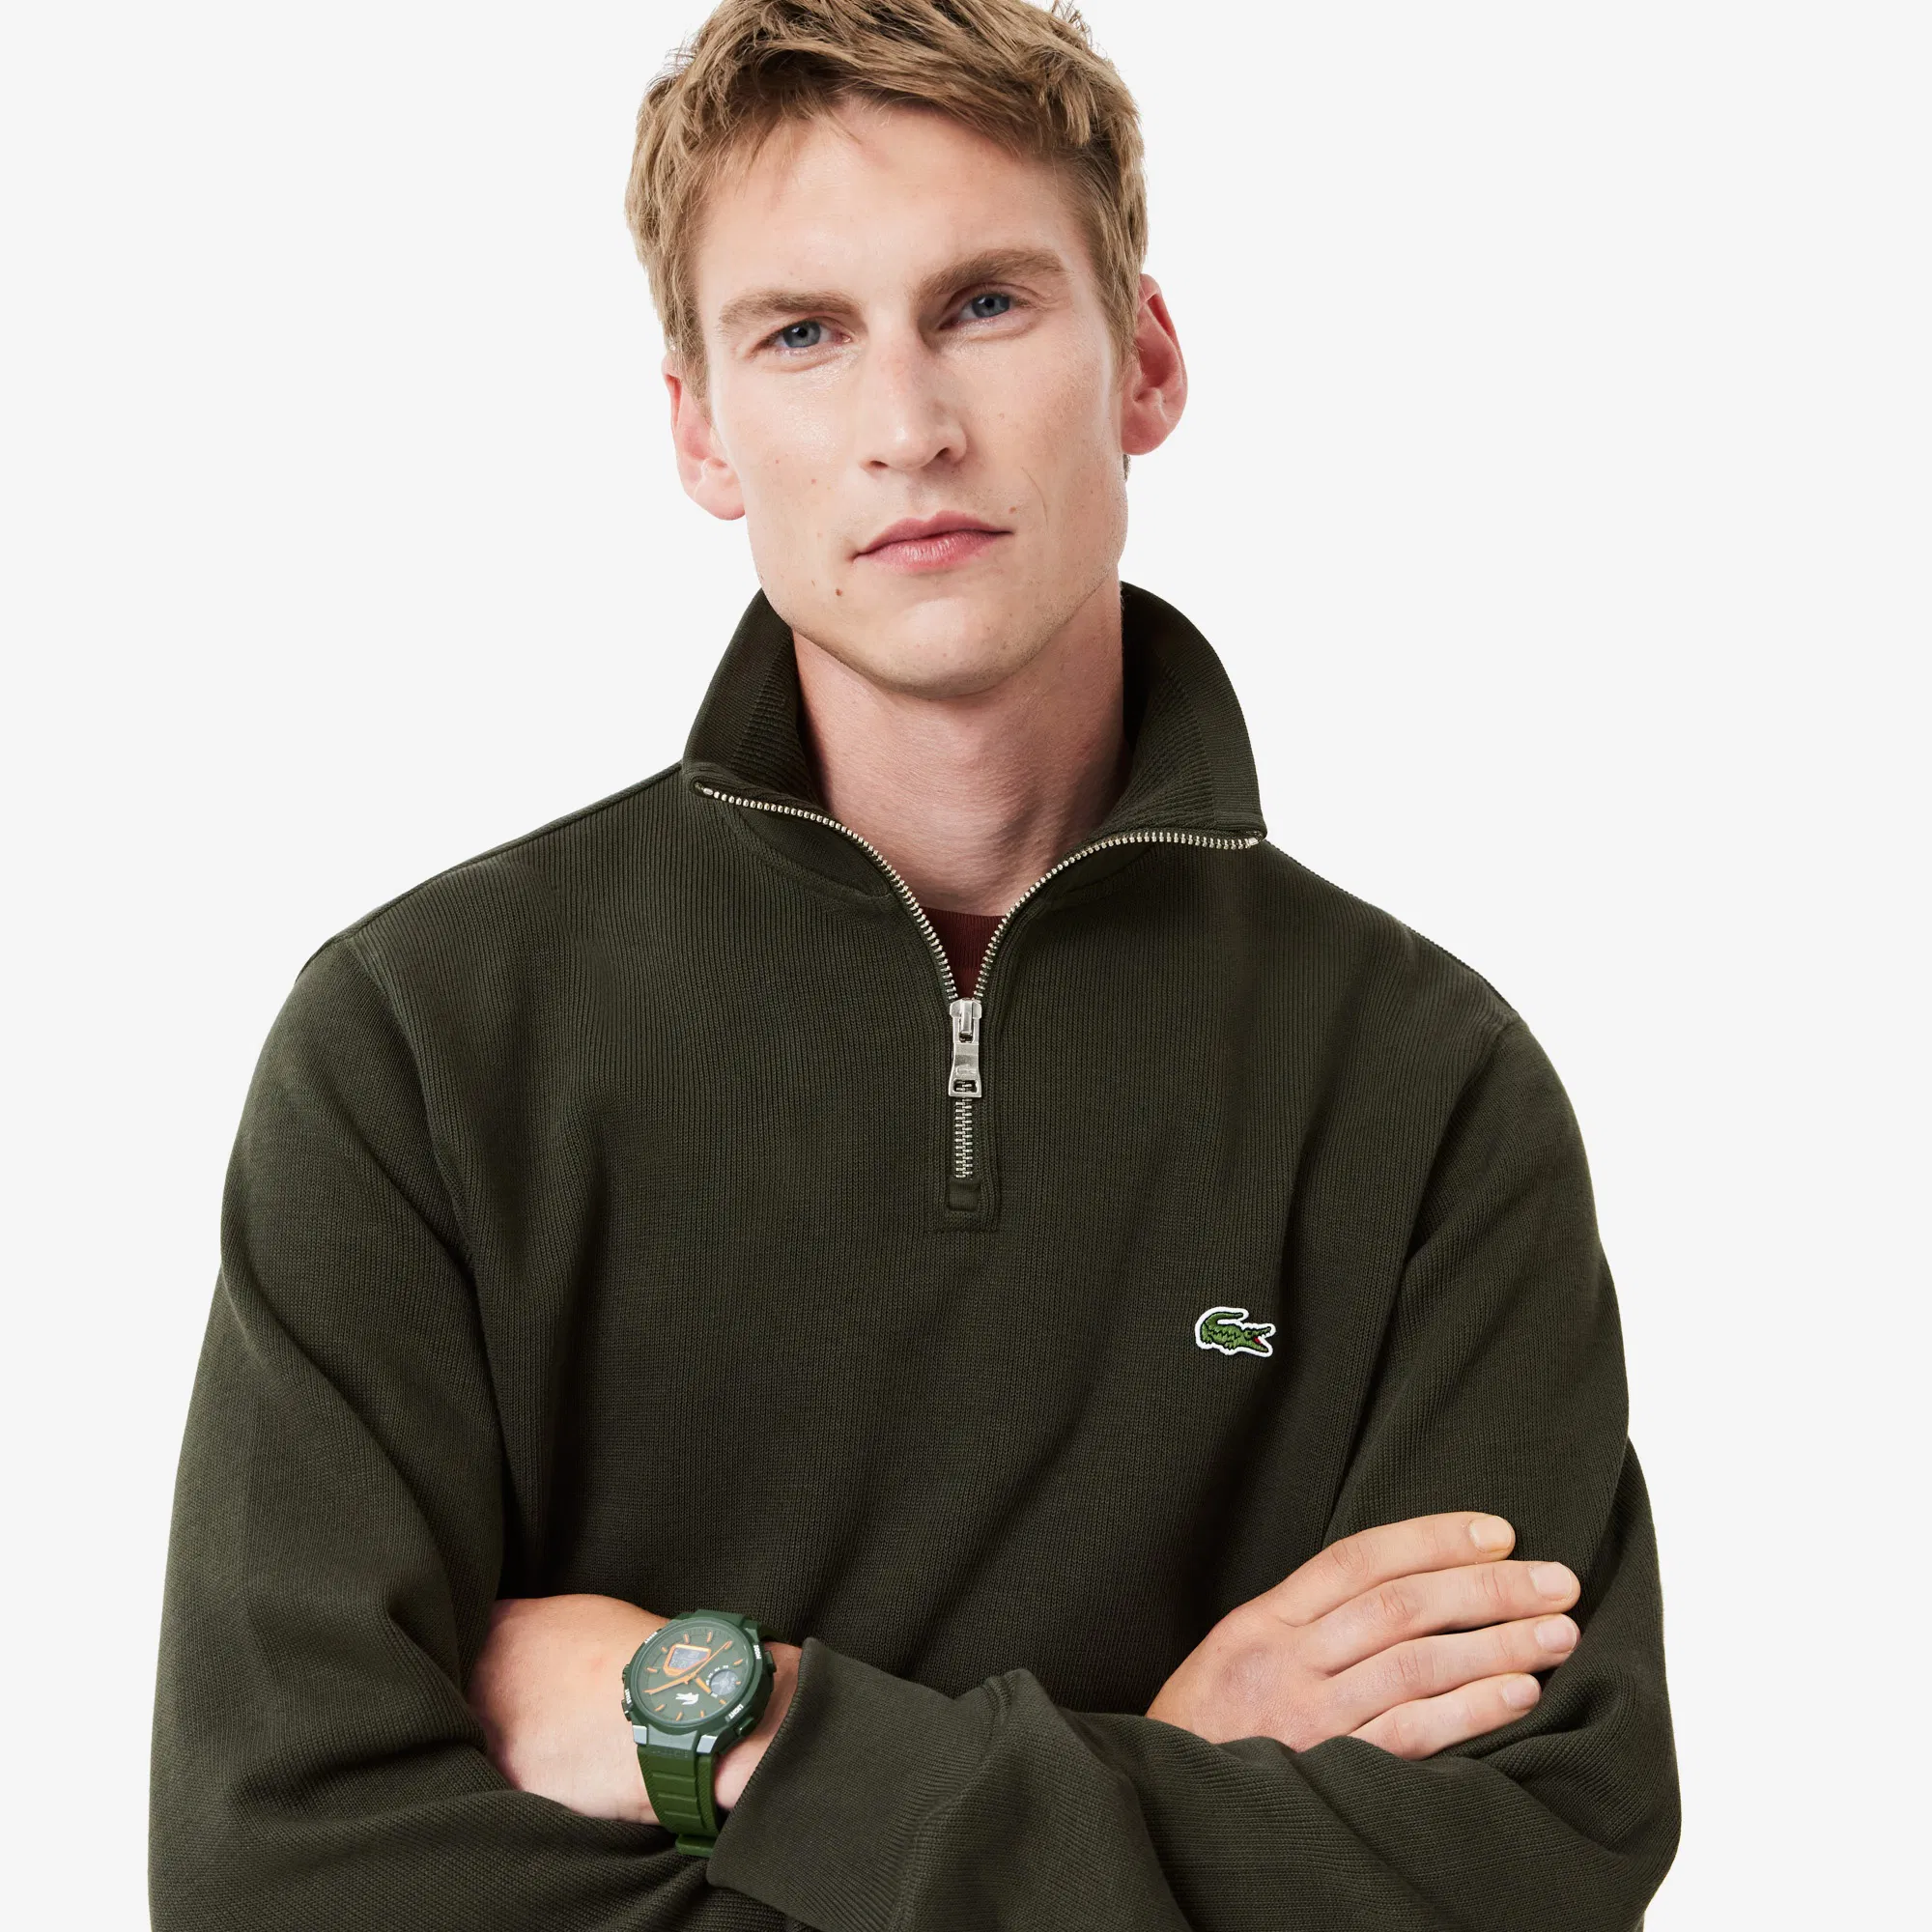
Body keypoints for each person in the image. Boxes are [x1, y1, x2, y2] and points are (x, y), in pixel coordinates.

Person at [149, 2, 1681, 1926]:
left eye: (985, 304)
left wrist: (755, 1727)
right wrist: (1164, 1777)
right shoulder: (422, 1049)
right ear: (701, 427)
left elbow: (1525, 1872)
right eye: (802, 334)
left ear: (1144, 361)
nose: (908, 425)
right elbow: (278, 1881)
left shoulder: (1423, 1091)